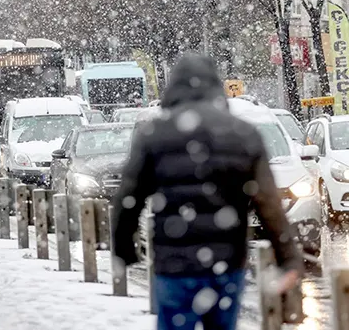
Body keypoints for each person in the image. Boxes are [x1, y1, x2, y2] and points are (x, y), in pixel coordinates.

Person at [111, 54, 303, 330]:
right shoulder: (243, 134)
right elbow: (268, 203)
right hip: (226, 262)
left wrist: (124, 249)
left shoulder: (154, 134)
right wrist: (288, 257)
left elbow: (129, 197)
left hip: (174, 263)